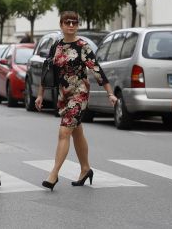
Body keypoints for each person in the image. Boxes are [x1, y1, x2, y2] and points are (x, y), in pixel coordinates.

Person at [35, 11, 116, 190]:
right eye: (67, 22)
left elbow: (97, 70)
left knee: (64, 132)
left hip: (79, 94)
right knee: (76, 131)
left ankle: (53, 174)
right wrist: (40, 95)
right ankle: (86, 169)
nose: (71, 25)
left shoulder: (82, 46)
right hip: (64, 95)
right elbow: (47, 71)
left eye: (74, 22)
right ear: (61, 25)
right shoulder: (56, 45)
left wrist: (110, 93)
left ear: (77, 25)